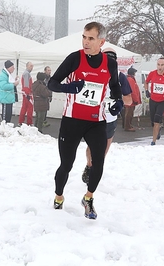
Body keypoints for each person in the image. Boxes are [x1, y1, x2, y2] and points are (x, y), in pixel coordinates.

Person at [47, 22, 123, 220]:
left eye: (90, 38)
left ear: (101, 41)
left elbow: (115, 87)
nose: (85, 42)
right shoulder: (75, 58)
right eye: (84, 37)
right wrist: (69, 88)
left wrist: (118, 102)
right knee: (66, 165)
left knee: (98, 162)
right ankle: (59, 196)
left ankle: (88, 198)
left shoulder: (110, 63)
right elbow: (52, 83)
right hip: (72, 120)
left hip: (95, 121)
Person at [81, 48, 129, 183]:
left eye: (112, 58)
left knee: (104, 148)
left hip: (110, 118)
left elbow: (129, 99)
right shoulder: (93, 73)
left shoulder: (120, 76)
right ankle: (89, 166)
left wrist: (117, 99)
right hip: (93, 116)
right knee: (92, 145)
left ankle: (95, 167)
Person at [125, 66, 142, 131]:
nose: (135, 74)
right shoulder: (130, 80)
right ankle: (128, 126)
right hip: (131, 100)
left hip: (129, 99)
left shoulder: (129, 79)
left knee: (129, 113)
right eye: (134, 72)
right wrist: (135, 100)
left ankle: (128, 125)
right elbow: (133, 91)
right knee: (129, 113)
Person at [18, 62, 34, 126]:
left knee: (24, 107)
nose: (32, 67)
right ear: (27, 66)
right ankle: (29, 122)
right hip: (27, 93)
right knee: (30, 108)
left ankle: (21, 121)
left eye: (32, 66)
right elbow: (26, 85)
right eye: (30, 66)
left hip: (25, 93)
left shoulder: (25, 73)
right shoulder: (27, 74)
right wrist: (28, 93)